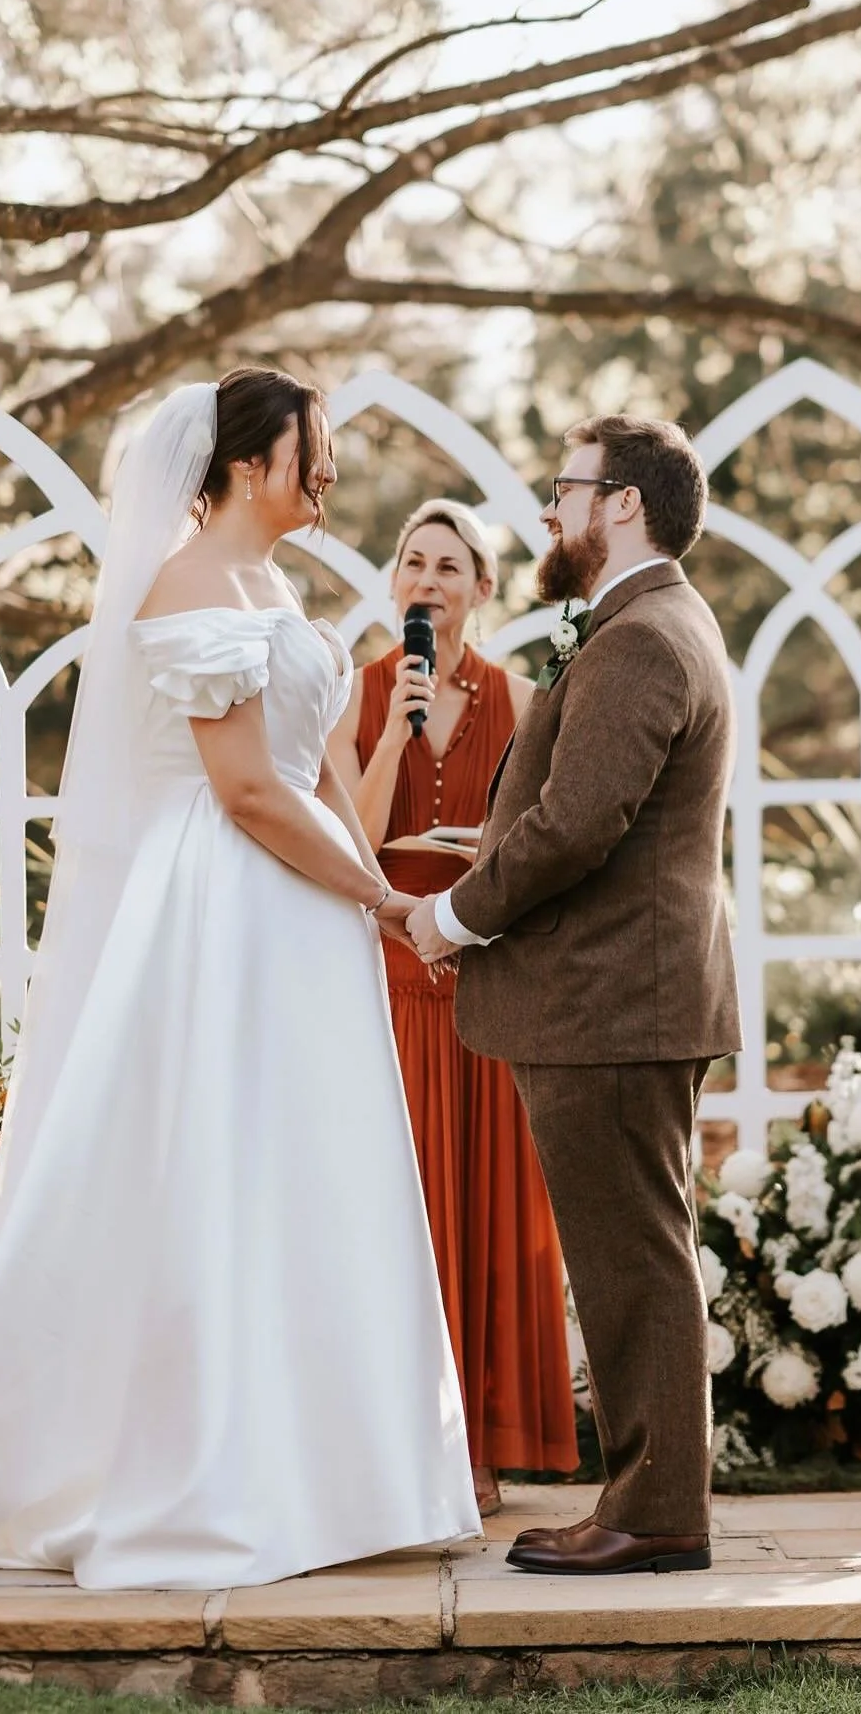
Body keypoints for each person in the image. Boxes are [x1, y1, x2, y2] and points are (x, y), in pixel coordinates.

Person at [0, 369, 479, 1593]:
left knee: (312, 1169)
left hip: (308, 908)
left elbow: (320, 768)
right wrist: (377, 896)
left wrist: (379, 896)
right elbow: (244, 789)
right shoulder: (183, 583)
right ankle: (209, 1477)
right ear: (248, 463)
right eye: (314, 447)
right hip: (227, 904)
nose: (330, 468)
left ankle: (350, 1474)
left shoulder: (278, 585)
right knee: (213, 1174)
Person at [407, 415, 742, 1576]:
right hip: (622, 993)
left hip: (613, 1000)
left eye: (568, 487)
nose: (551, 509)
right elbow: (588, 811)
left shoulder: (644, 635)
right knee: (634, 1251)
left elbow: (581, 827)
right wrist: (490, 836)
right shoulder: (649, 622)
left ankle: (652, 1515)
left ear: (623, 506)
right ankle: (650, 1500)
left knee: (630, 1257)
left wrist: (450, 913)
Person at [328, 500, 579, 1518]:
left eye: (449, 565)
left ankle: (477, 1444)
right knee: (404, 1216)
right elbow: (351, 832)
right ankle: (391, 1442)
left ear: (482, 588)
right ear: (395, 586)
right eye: (412, 562)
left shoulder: (525, 696)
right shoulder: (357, 692)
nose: (428, 579)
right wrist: (395, 731)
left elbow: (536, 844)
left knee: (483, 1218)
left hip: (485, 985)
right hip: (388, 984)